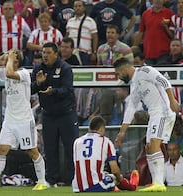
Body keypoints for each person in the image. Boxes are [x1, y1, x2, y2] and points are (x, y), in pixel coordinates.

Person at [0, 49, 47, 190]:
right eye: (12, 60)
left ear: (19, 62)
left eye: (15, 60)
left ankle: (42, 181)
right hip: (10, 121)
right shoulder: (5, 71)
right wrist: (1, 58)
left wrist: (8, 60)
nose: (12, 63)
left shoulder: (24, 74)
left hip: (24, 120)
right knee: (2, 149)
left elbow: (10, 73)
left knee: (32, 151)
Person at [113, 57, 180, 192]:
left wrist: (172, 100)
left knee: (155, 144)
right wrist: (122, 132)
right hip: (154, 115)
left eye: (118, 73)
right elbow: (131, 108)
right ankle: (155, 182)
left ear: (125, 69)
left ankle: (160, 183)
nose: (118, 76)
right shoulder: (134, 85)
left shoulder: (144, 71)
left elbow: (163, 81)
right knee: (149, 147)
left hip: (163, 112)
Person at [31, 42, 79, 186]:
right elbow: (30, 89)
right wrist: (39, 84)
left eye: (48, 53)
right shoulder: (38, 69)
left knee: (71, 147)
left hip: (66, 114)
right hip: (48, 114)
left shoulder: (65, 68)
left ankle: (72, 179)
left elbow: (68, 90)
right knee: (50, 149)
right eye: (43, 53)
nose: (45, 56)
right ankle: (51, 179)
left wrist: (54, 91)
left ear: (55, 54)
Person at [72, 116, 139, 192]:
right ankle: (131, 186)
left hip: (77, 187)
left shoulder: (77, 142)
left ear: (89, 128)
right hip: (94, 186)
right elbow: (115, 170)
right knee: (113, 177)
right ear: (101, 129)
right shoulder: (105, 141)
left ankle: (113, 187)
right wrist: (120, 179)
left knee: (106, 175)